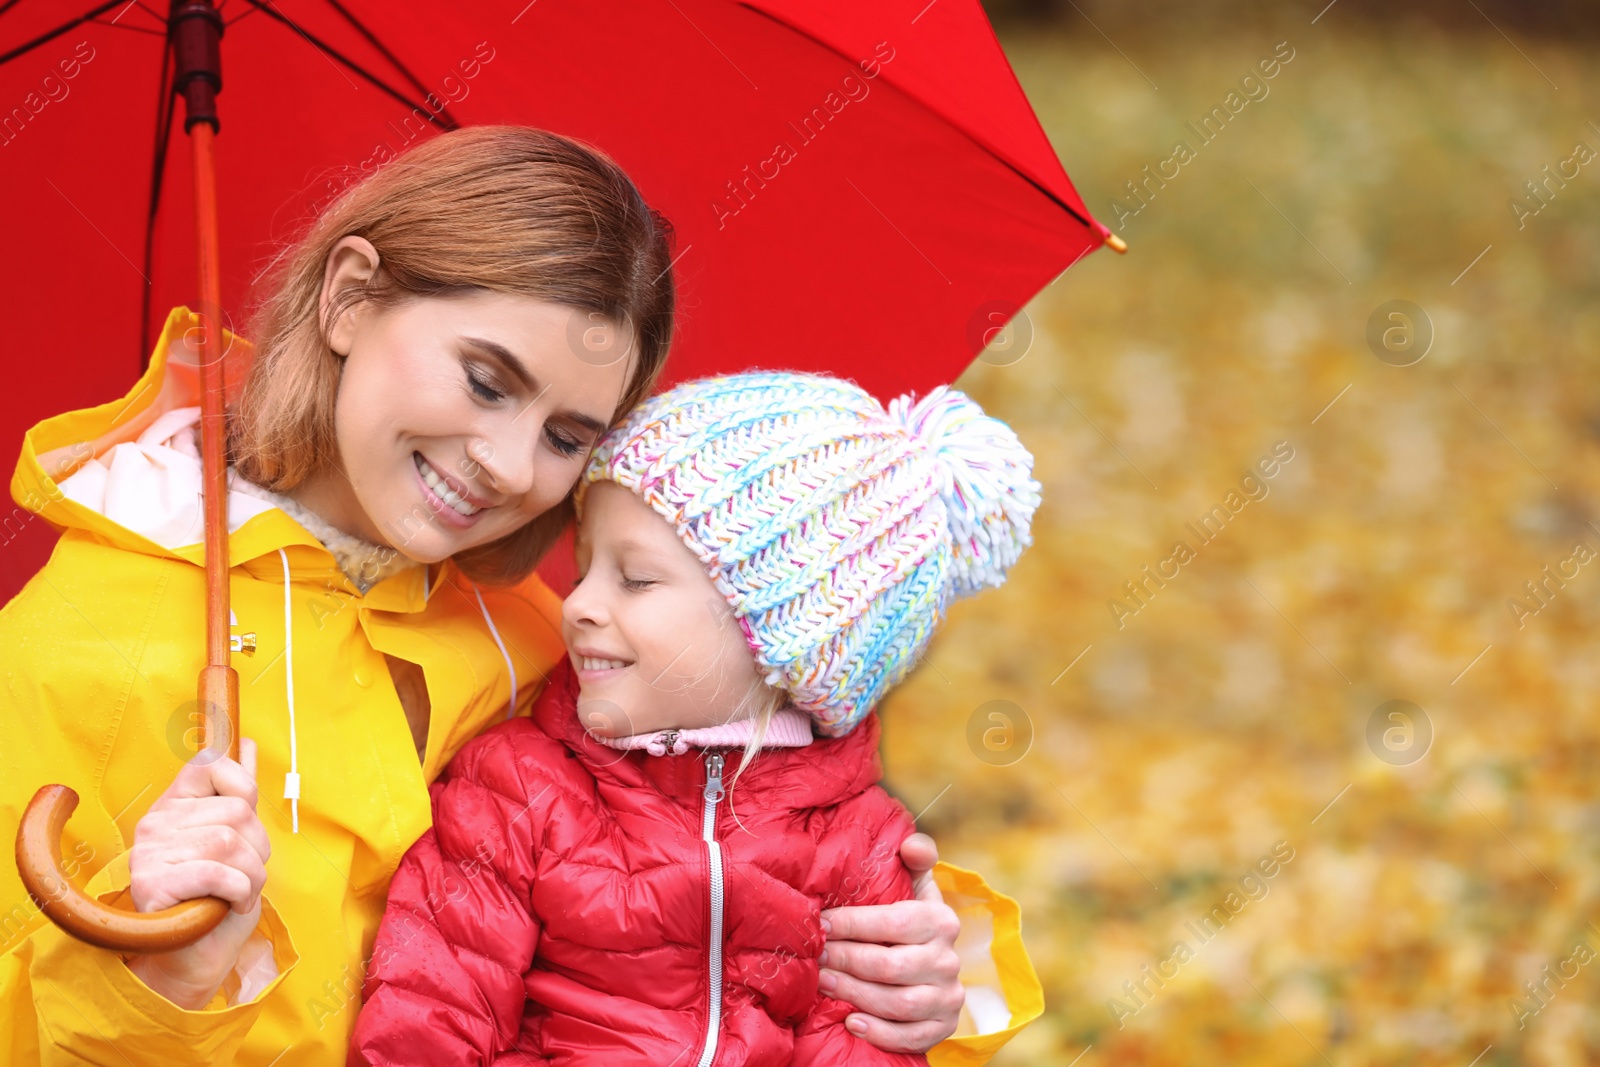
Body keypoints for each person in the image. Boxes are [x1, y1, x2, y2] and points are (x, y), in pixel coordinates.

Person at [0, 126, 1041, 1064]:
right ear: (351, 296)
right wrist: (162, 974)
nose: (504, 464)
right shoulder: (82, 646)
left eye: (565, 436)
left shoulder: (543, 643)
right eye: (487, 380)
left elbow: (705, 915)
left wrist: (905, 968)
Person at [349, 371, 1043, 1065]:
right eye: (584, 569)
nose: (577, 604)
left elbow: (862, 1046)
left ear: (782, 639)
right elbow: (429, 1013)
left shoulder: (857, 844)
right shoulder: (518, 788)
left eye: (636, 578)